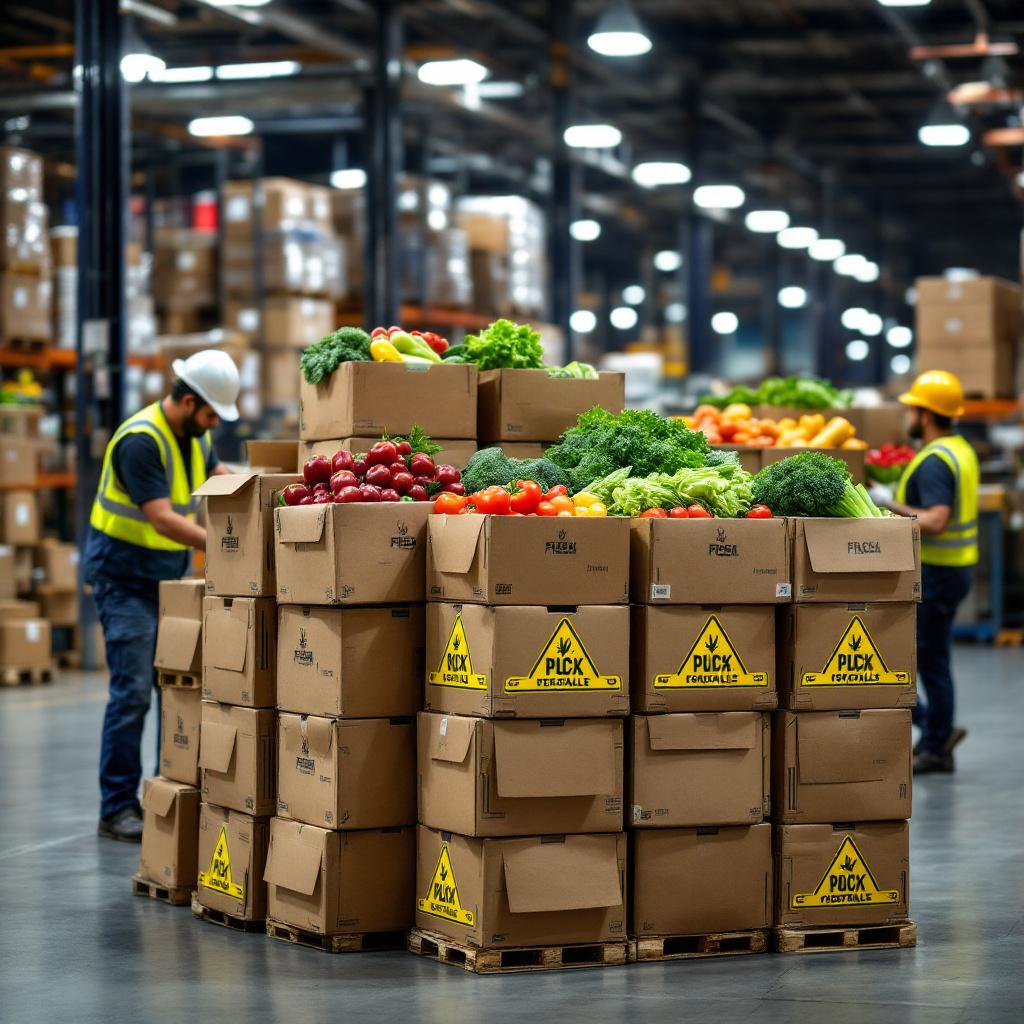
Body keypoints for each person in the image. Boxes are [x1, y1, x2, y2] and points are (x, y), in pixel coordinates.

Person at [84, 349, 240, 841]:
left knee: (174, 692)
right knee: (131, 694)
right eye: (212, 413)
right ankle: (116, 808)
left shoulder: (197, 434)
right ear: (190, 401)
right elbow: (163, 518)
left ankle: (163, 796)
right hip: (125, 582)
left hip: (167, 582)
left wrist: (264, 497)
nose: (215, 423)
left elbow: (220, 480)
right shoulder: (140, 441)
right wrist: (233, 544)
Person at [877, 369, 978, 775]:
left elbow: (936, 520)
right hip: (952, 571)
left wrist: (889, 504)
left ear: (927, 414)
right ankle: (939, 733)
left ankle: (936, 743)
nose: (908, 418)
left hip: (937, 573)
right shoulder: (960, 449)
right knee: (931, 659)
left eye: (913, 410)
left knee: (924, 661)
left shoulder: (936, 461)